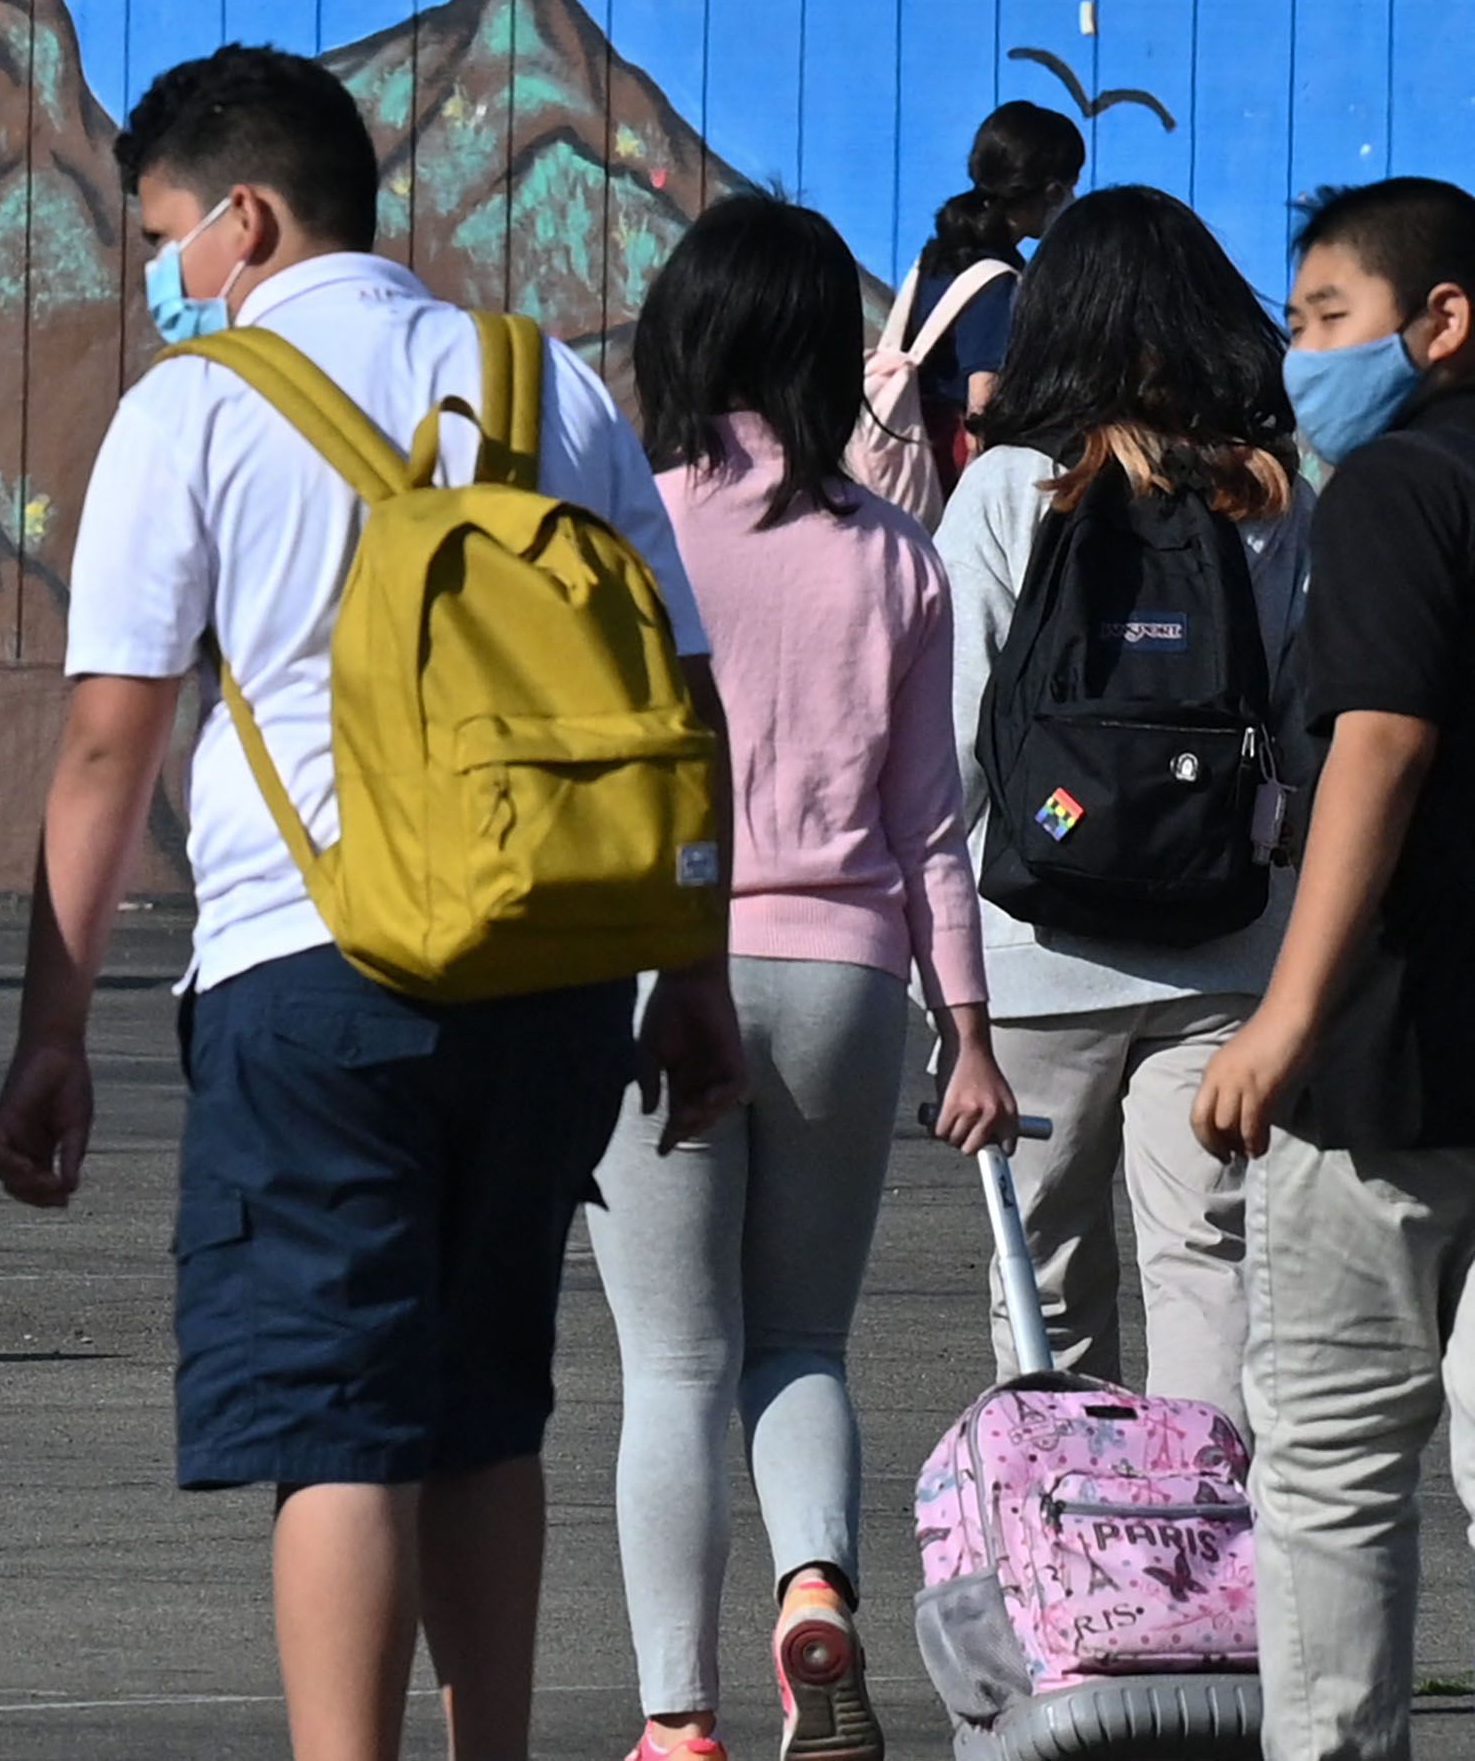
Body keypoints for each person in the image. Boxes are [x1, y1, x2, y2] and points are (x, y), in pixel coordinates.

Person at [0, 43, 746, 1761]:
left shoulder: (193, 406)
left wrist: (53, 1027)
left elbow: (112, 744)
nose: (166, 276)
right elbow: (681, 706)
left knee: (340, 1426)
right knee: (487, 1411)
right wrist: (686, 975)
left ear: (244, 218)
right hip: (555, 967)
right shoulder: (546, 383)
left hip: (305, 977)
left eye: (168, 235)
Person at [590, 194, 1019, 1761]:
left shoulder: (630, 531)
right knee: (798, 1342)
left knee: (673, 1363)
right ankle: (813, 1583)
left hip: (657, 975)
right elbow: (932, 822)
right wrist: (965, 1028)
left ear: (682, 335)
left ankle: (675, 1718)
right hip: (848, 978)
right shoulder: (894, 556)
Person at [938, 186, 1306, 1418]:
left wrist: (940, 974)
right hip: (1222, 942)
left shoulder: (1008, 491)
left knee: (1041, 1271)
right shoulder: (1266, 497)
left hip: (1036, 946)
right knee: (1208, 1261)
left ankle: (1073, 1566)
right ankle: (1203, 1546)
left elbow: (955, 740)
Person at [1191, 176, 1475, 1761]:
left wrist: (1282, 1019)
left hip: (1386, 1063)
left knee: (1334, 1477)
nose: (1301, 356)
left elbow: (1380, 739)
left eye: (1326, 318)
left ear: (1441, 322)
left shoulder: (1392, 489)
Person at [907, 100, 1084, 446]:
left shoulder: (938, 256)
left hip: (912, 446)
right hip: (952, 466)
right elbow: (982, 405)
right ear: (1053, 192)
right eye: (1071, 185)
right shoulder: (995, 280)